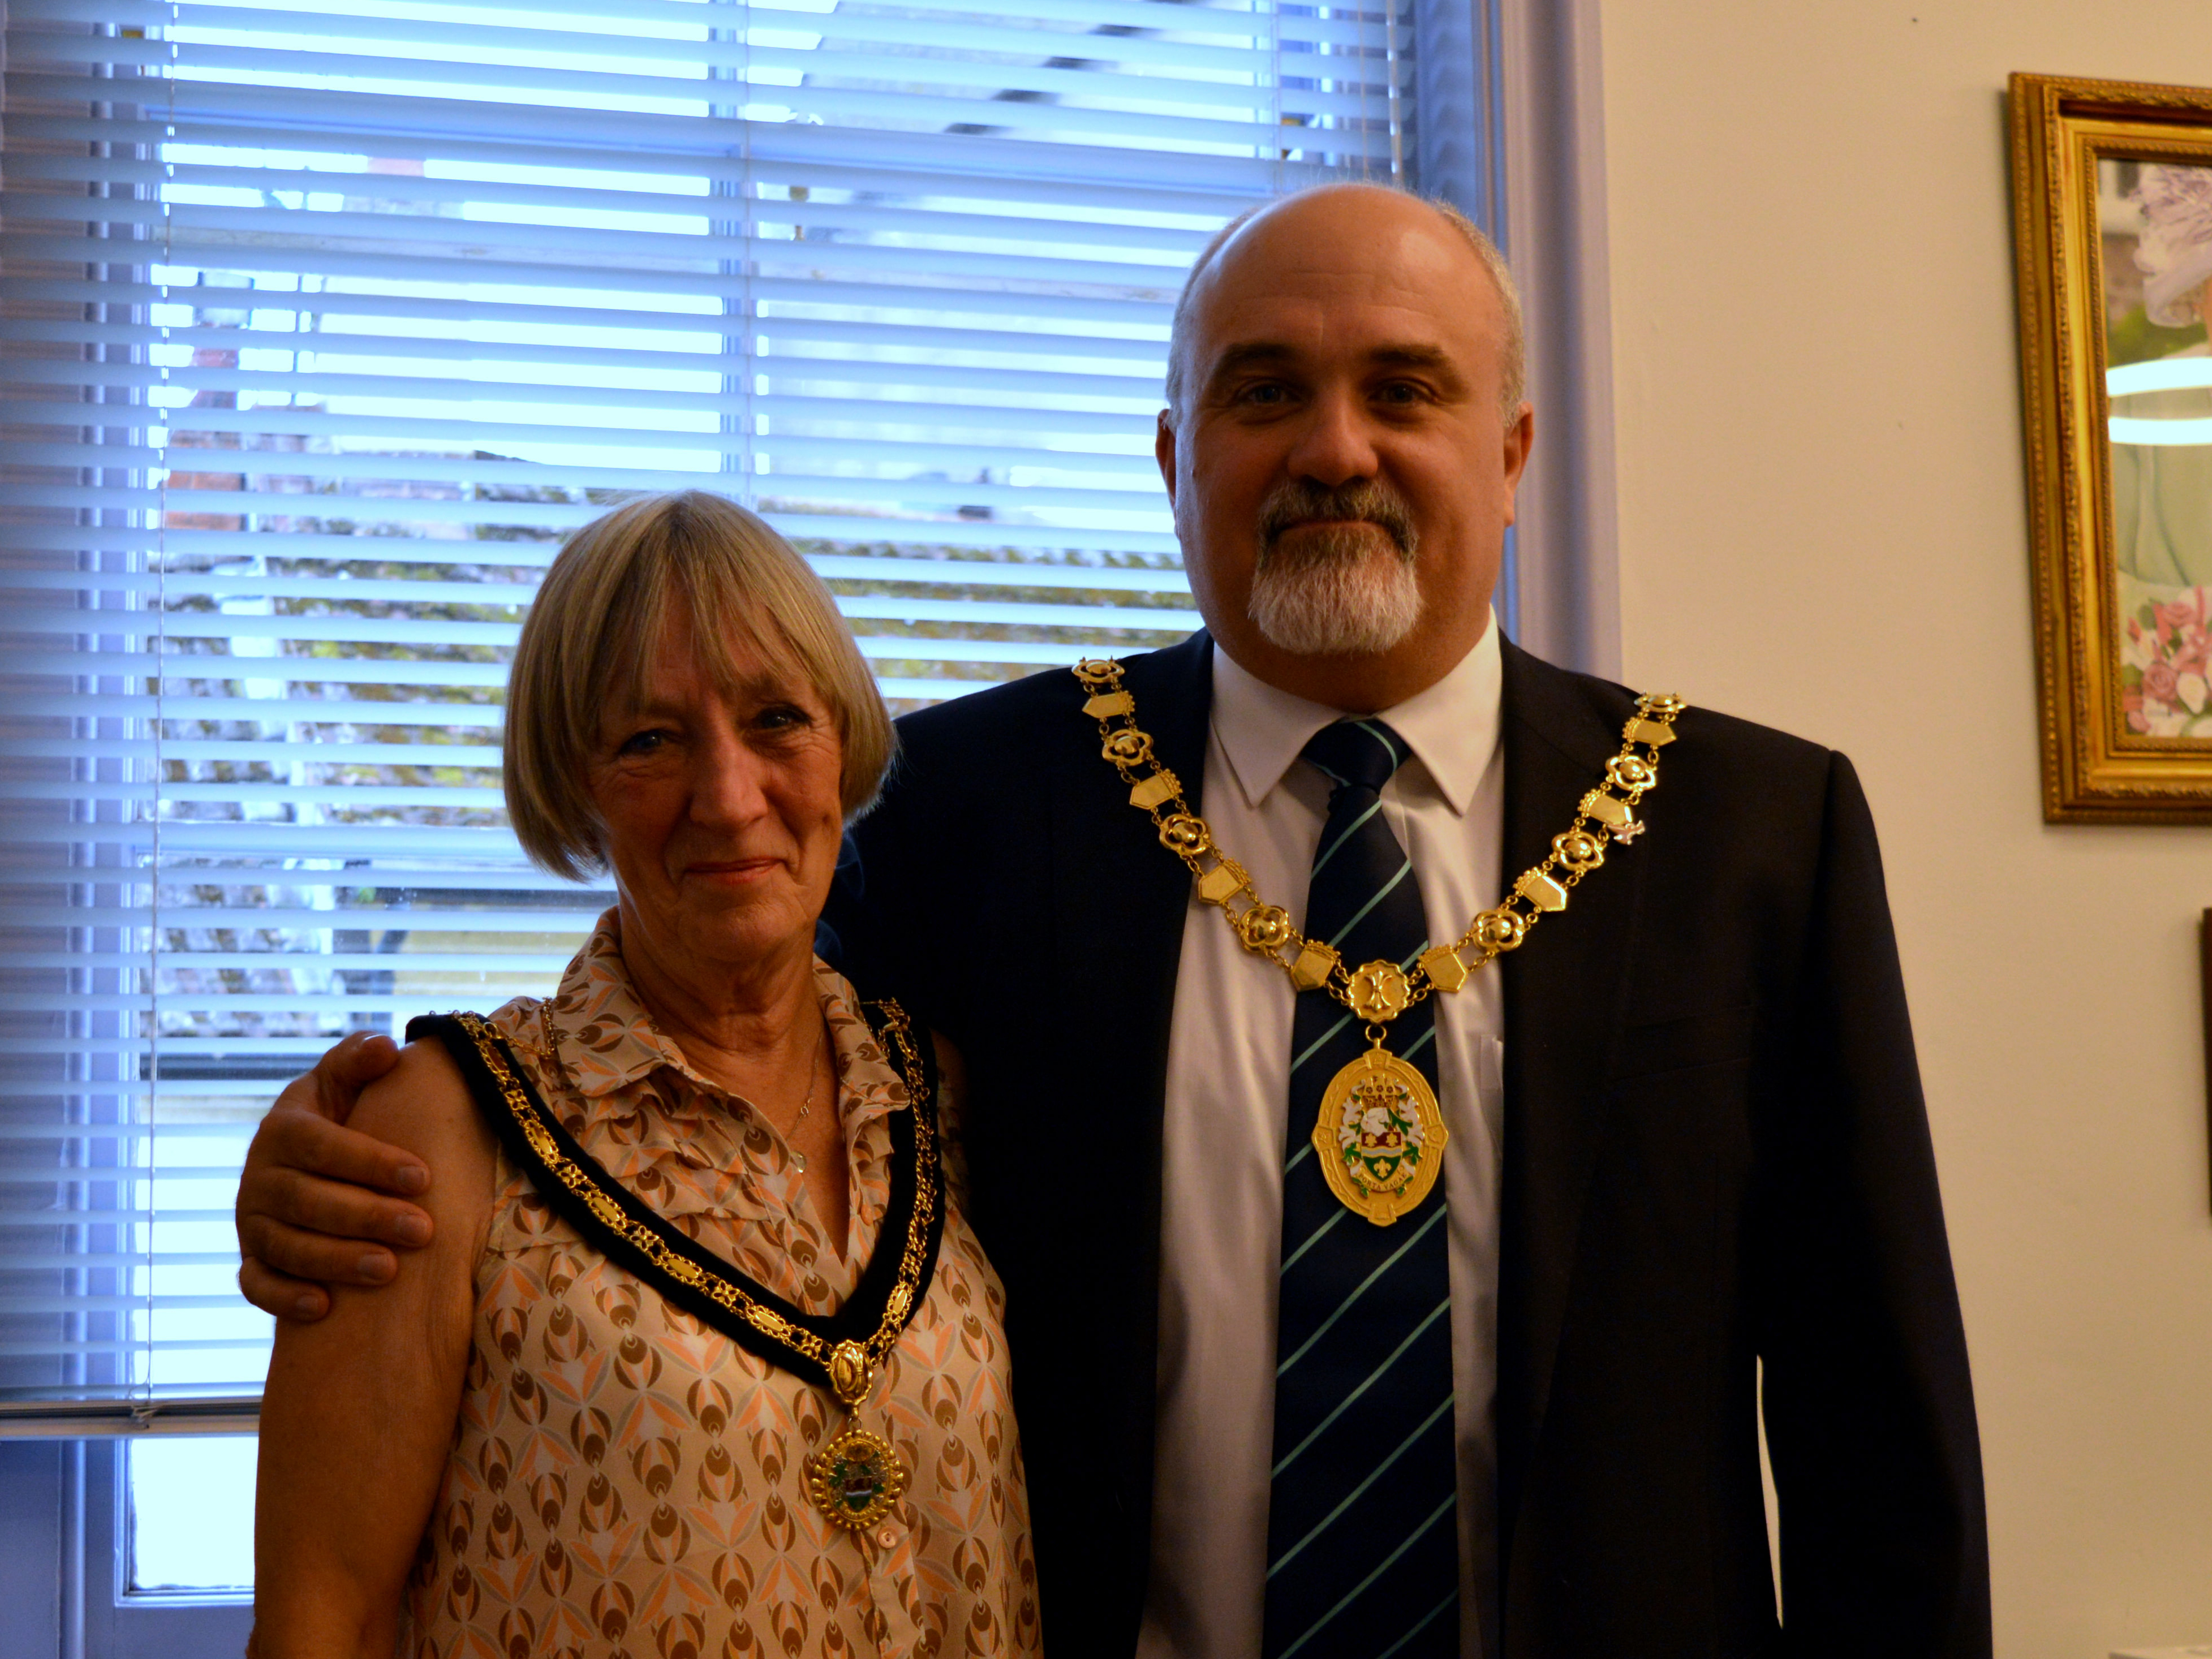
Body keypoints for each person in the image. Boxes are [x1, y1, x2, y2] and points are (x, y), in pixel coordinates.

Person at [236, 185, 1990, 1657]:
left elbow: (1871, 1436)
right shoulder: (960, 807)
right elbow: (710, 1069)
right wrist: (351, 1155)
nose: (1332, 446)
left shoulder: (1746, 832)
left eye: (1403, 387)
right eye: (1261, 392)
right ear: (1172, 454)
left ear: (1513, 449)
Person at [248, 492, 1039, 1658]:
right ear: (577, 785)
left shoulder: (943, 1097)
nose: (728, 797)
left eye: (776, 719)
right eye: (650, 742)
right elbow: (324, 1616)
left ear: (844, 745)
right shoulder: (440, 1131)